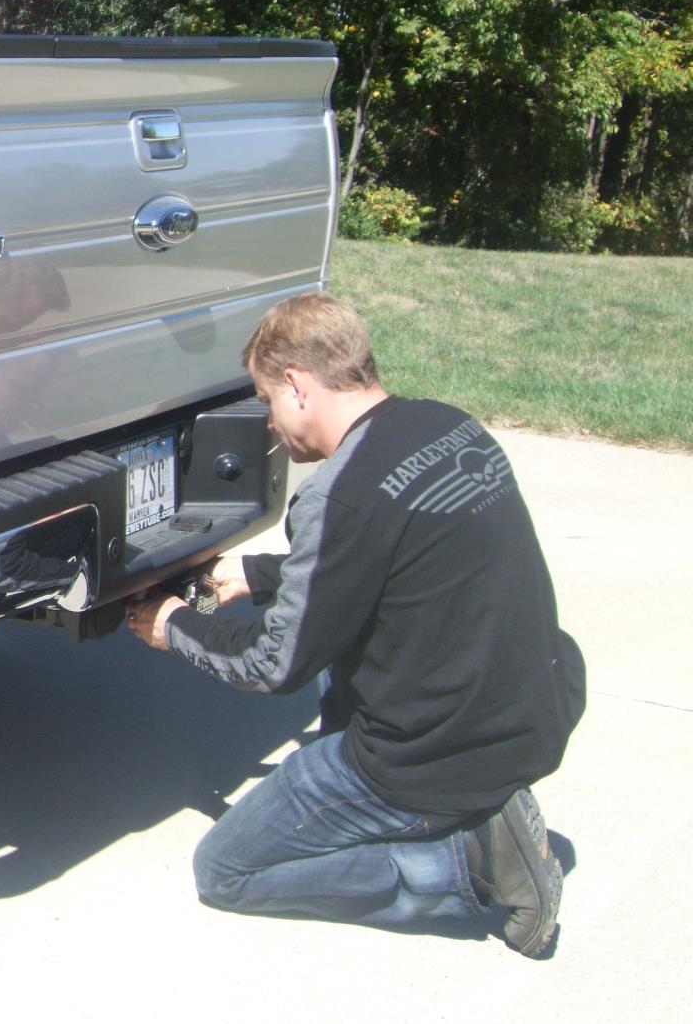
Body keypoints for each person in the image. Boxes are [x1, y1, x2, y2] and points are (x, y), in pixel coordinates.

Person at [124, 292, 585, 957]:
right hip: (535, 707)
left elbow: (273, 663)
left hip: (429, 755)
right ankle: (479, 805)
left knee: (227, 870)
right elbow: (389, 558)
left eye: (266, 399)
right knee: (345, 663)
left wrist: (174, 625)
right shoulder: (448, 427)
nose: (268, 422)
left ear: (297, 385)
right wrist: (256, 574)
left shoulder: (338, 493)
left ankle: (472, 862)